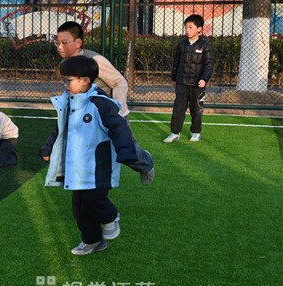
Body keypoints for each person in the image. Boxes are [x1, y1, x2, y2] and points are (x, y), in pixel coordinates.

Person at [38, 55, 138, 255]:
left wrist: (126, 150)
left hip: (99, 166)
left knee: (94, 201)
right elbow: (61, 129)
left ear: (85, 81)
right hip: (77, 167)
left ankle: (111, 216)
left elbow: (119, 128)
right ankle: (92, 241)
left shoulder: (101, 104)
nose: (64, 84)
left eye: (68, 80)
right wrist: (48, 147)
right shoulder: (69, 102)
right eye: (63, 79)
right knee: (79, 209)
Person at [55, 20, 154, 185]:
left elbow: (119, 83)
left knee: (127, 150)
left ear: (78, 42)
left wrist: (117, 111)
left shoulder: (94, 59)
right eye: (57, 43)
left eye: (64, 43)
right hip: (87, 116)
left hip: (110, 114)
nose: (59, 47)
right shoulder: (65, 63)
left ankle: (145, 163)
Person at [166, 14, 215, 143]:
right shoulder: (182, 45)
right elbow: (176, 63)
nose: (187, 30)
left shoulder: (205, 46)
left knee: (196, 110)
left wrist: (204, 79)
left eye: (190, 27)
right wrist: (174, 79)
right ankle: (174, 133)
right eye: (186, 27)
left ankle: (196, 132)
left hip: (197, 85)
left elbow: (209, 65)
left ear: (199, 29)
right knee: (178, 109)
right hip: (182, 82)